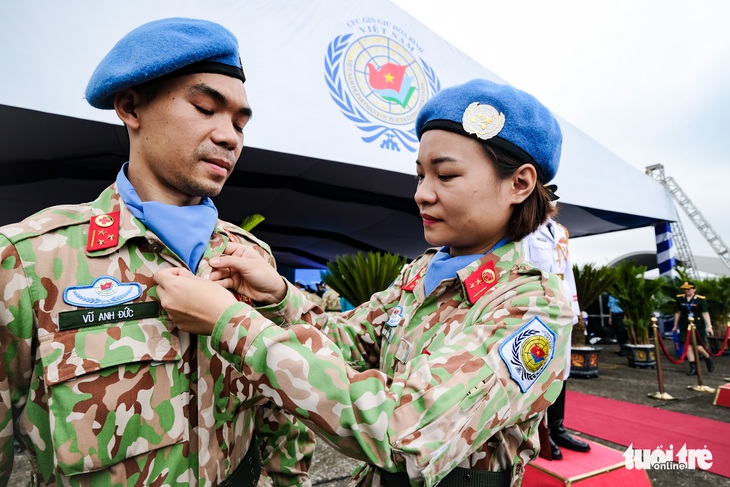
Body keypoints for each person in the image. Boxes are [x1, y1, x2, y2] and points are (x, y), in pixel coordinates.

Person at [155, 78, 575, 486]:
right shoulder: (422, 272)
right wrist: (278, 296)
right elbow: (346, 340)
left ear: (519, 184)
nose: (422, 194)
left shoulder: (532, 306)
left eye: (445, 176)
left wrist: (230, 322)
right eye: (420, 176)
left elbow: (401, 431)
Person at [0, 18, 314, 486]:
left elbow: (285, 416)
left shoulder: (252, 259)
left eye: (239, 122)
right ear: (130, 107)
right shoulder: (31, 259)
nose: (230, 136)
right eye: (206, 108)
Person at [523, 217, 590, 461]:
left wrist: (575, 308)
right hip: (539, 309)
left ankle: (558, 427)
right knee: (539, 370)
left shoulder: (561, 232)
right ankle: (538, 431)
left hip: (562, 308)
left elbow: (567, 271)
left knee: (562, 369)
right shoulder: (527, 227)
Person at [672, 281, 714, 375]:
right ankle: (693, 367)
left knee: (699, 347)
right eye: (685, 289)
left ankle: (708, 358)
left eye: (689, 289)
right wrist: (675, 325)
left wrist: (709, 326)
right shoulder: (680, 299)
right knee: (687, 346)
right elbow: (678, 312)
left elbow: (705, 313)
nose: (686, 291)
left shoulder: (700, 300)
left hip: (697, 326)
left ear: (694, 289)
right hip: (684, 325)